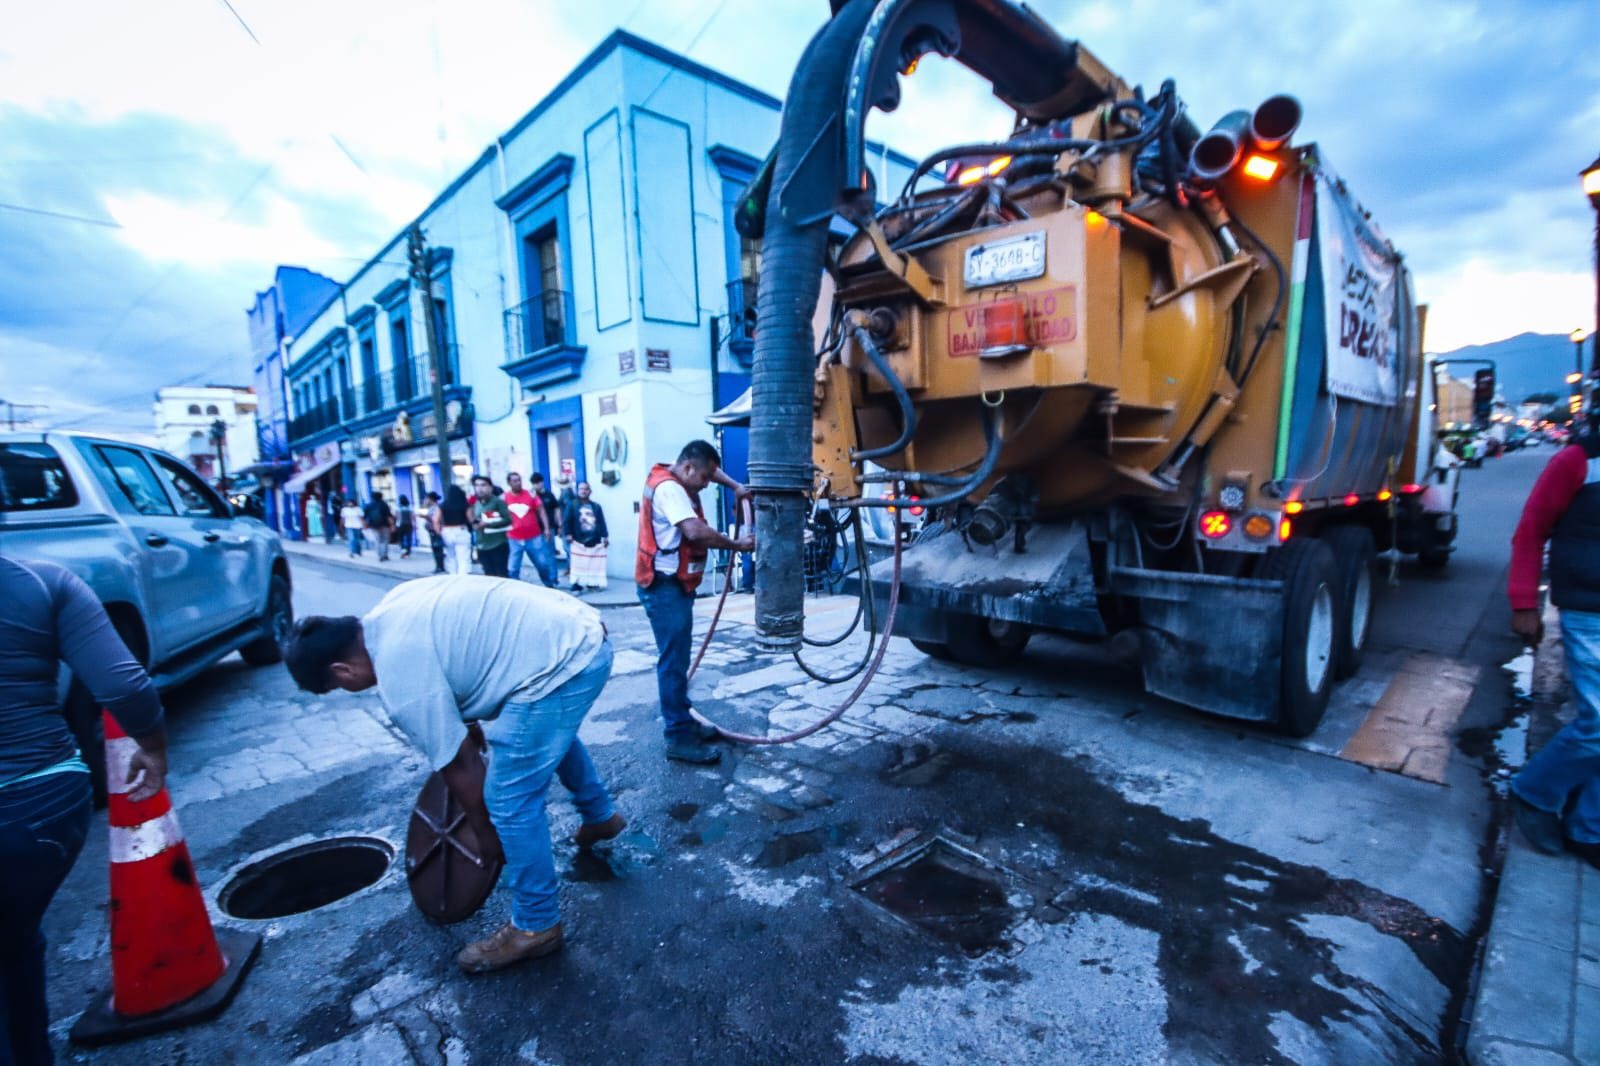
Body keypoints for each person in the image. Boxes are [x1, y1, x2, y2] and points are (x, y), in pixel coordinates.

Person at [283, 578, 624, 973]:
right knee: (544, 733)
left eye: (338, 688)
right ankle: (600, 816)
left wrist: (487, 837)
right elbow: (461, 661)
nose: (348, 689)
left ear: (341, 671)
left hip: (566, 659)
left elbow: (462, 768)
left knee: (508, 799)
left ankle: (537, 925)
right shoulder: (390, 611)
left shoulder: (399, 679)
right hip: (579, 629)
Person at [1, 557, 169, 1064]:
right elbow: (124, 687)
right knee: (15, 942)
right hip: (42, 804)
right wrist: (153, 747)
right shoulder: (41, 581)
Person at [1508, 424, 1600, 868]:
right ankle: (1535, 791)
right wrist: (1524, 603)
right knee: (1598, 724)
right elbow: (1531, 531)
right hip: (1589, 610)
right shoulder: (1580, 461)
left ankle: (1588, 829)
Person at [635, 440, 753, 764]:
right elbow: (695, 532)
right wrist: (737, 545)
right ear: (688, 468)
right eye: (703, 478)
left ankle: (683, 721)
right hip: (664, 587)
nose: (706, 485)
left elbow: (709, 470)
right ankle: (677, 737)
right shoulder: (671, 490)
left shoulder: (675, 473)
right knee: (673, 664)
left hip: (674, 586)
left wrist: (735, 485)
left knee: (679, 661)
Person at [503, 472, 558, 587]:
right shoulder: (505, 497)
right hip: (514, 537)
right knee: (513, 567)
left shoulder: (530, 495)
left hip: (533, 536)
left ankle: (549, 584)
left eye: (519, 480)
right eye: (514, 481)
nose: (518, 483)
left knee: (542, 564)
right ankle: (514, 588)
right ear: (509, 483)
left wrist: (546, 528)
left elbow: (541, 511)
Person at [565, 481, 609, 592]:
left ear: (590, 491)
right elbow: (567, 521)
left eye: (586, 489)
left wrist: (605, 536)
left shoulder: (596, 507)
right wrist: (568, 533)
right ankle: (577, 585)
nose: (583, 491)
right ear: (577, 491)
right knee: (578, 563)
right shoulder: (572, 505)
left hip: (594, 539)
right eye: (581, 489)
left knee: (592, 563)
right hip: (578, 540)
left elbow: (601, 522)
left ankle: (591, 583)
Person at [470, 476, 513, 578]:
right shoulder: (476, 504)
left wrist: (488, 524)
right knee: (489, 576)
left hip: (498, 544)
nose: (480, 489)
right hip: (482, 545)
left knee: (501, 575)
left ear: (490, 487)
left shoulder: (498, 502)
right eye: (477, 485)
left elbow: (508, 520)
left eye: (483, 485)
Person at [440, 484, 473, 575]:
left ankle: (452, 574)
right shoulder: (465, 505)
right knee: (463, 556)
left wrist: (439, 532)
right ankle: (463, 575)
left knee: (450, 555)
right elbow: (470, 519)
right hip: (461, 529)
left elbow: (435, 519)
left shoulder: (443, 505)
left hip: (447, 530)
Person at [363, 492, 395, 562]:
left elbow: (365, 517)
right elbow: (388, 516)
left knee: (377, 540)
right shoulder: (384, 505)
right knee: (385, 540)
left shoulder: (369, 505)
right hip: (385, 525)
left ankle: (380, 555)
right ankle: (385, 555)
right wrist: (392, 525)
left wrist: (365, 526)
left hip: (373, 525)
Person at [424, 491, 447, 574]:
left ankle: (440, 566)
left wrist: (427, 518)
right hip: (432, 530)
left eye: (426, 499)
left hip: (436, 530)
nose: (425, 501)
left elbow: (436, 520)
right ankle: (438, 566)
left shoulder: (436, 508)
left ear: (430, 499)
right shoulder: (431, 508)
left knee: (438, 548)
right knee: (435, 548)